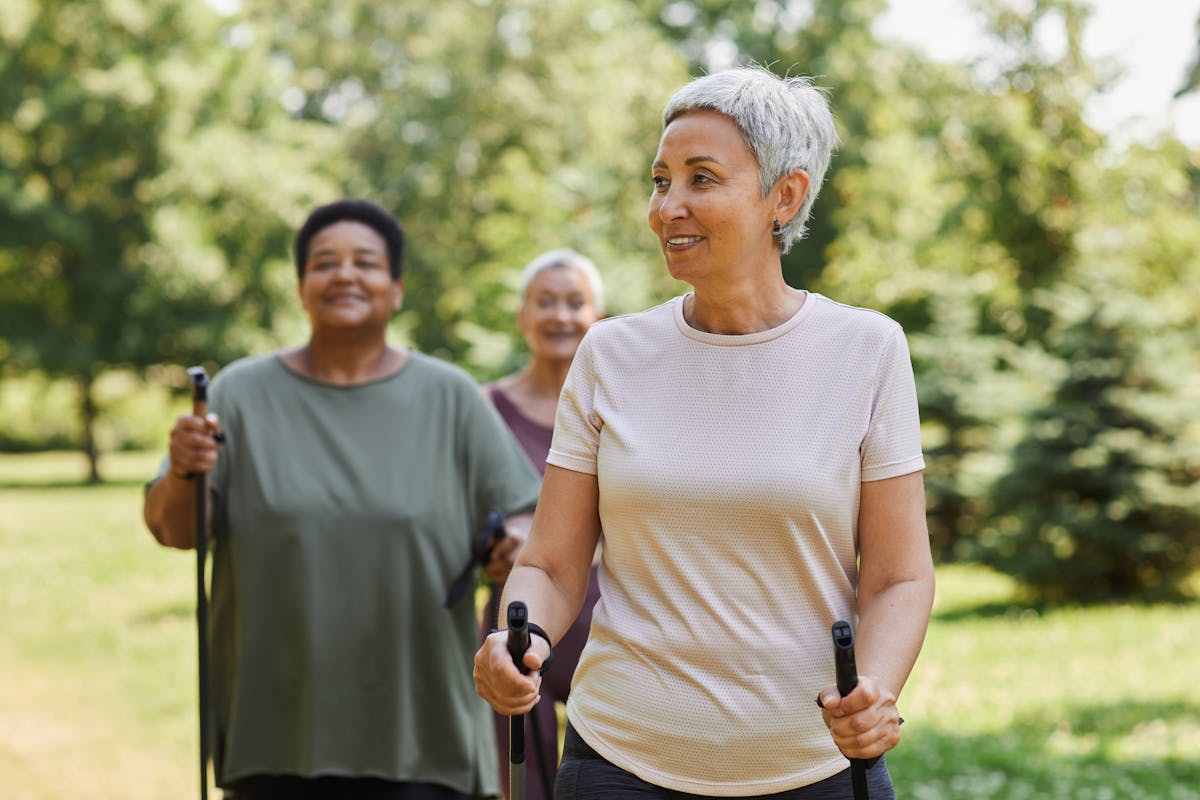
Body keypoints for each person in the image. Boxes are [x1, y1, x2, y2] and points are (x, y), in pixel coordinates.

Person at [473, 66, 935, 800]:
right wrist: (515, 640)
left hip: (813, 765)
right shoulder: (609, 354)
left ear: (784, 196)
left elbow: (898, 577)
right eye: (660, 180)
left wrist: (872, 691)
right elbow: (554, 565)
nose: (666, 207)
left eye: (700, 179)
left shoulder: (869, 351)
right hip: (619, 764)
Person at [143, 199, 542, 800]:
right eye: (324, 262)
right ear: (302, 289)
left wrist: (512, 544)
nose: (345, 275)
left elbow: (526, 512)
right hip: (277, 732)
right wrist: (181, 470)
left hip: (422, 733)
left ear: (397, 288)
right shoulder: (242, 394)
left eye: (366, 262)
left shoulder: (451, 397)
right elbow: (174, 530)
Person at [479, 249, 606, 799]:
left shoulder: (618, 408)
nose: (560, 315)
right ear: (522, 315)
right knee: (519, 783)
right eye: (545, 302)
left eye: (575, 302)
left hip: (608, 624)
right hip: (516, 621)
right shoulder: (484, 410)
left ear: (597, 316)